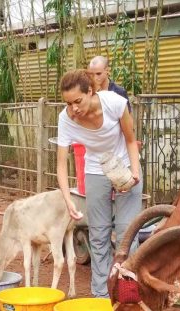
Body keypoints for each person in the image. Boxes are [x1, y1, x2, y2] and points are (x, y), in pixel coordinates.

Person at [56, 69, 142, 298]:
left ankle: (126, 290)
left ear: (91, 92)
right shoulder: (65, 119)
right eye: (68, 103)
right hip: (95, 168)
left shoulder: (114, 103)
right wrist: (68, 200)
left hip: (124, 166)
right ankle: (101, 295)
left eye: (78, 101)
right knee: (98, 233)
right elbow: (61, 165)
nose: (73, 109)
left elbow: (131, 140)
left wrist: (134, 173)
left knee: (127, 233)